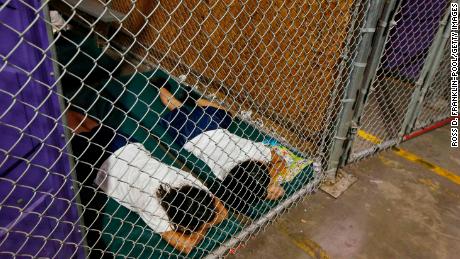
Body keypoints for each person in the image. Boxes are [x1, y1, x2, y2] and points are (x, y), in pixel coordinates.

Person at [67, 109, 227, 255]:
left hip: (128, 146)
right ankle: (58, 107)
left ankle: (62, 105)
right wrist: (203, 228)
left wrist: (204, 222)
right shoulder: (153, 208)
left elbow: (221, 211)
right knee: (74, 130)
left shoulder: (189, 183)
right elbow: (186, 246)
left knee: (85, 123)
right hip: (102, 165)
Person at [156, 80, 286, 214]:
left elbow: (279, 160)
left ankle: (193, 99)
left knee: (229, 113)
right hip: (190, 139)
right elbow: (278, 162)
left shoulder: (253, 151)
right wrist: (265, 189)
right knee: (174, 106)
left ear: (258, 162)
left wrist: (268, 183)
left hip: (210, 125)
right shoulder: (225, 176)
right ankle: (162, 88)